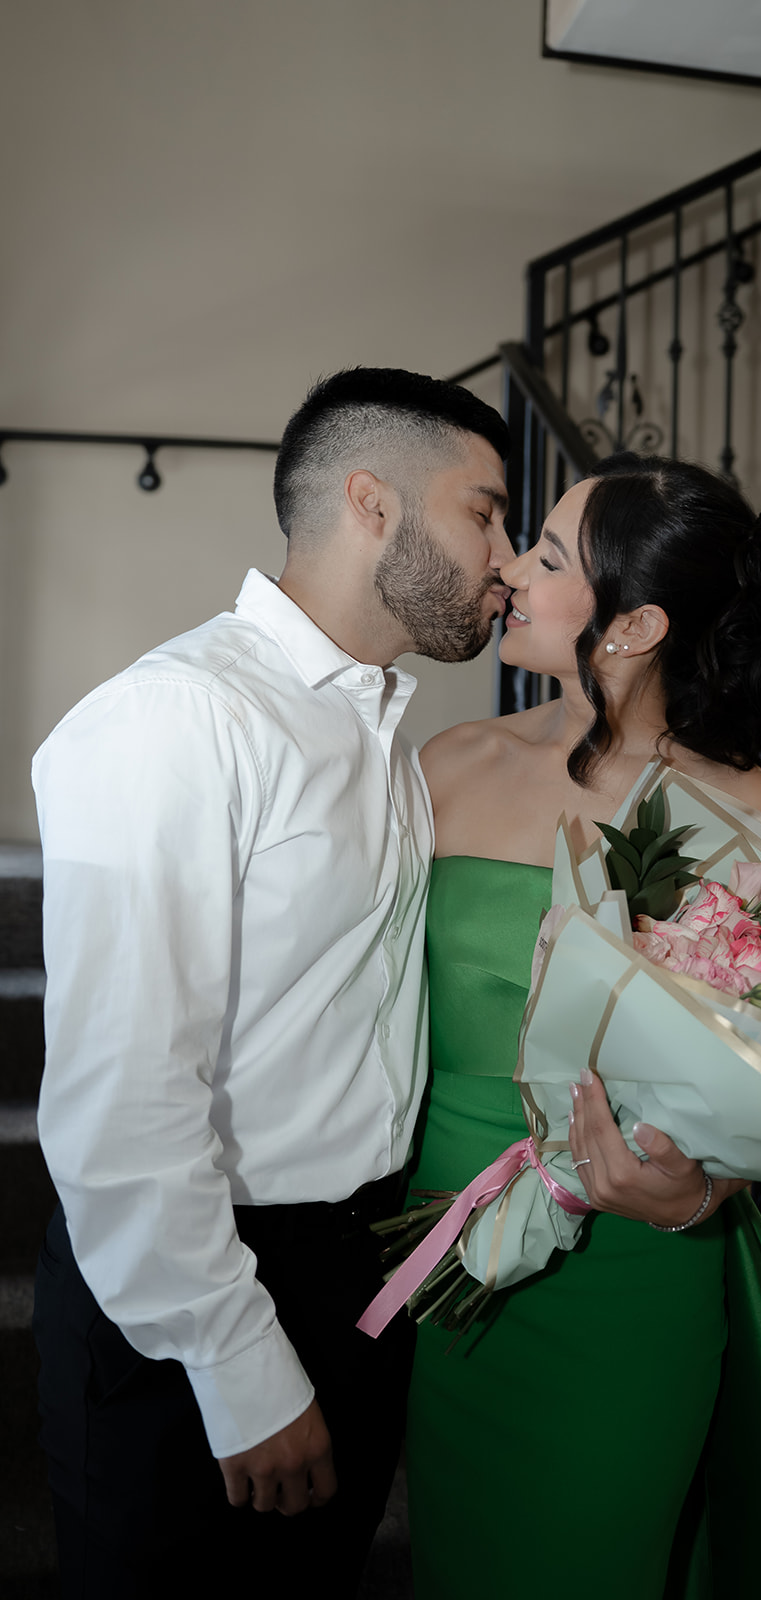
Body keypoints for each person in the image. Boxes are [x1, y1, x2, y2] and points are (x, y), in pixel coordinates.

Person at [30, 366, 518, 1597]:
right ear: (371, 501)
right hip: (201, 1287)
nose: (505, 558)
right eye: (484, 512)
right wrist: (235, 1361)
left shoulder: (384, 734)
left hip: (357, 1264)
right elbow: (125, 1092)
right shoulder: (175, 717)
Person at [404, 454, 761, 1598]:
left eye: (545, 556)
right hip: (447, 1244)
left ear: (633, 624)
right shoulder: (448, 765)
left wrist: (700, 1190)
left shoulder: (747, 807)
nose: (507, 569)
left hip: (632, 1265)